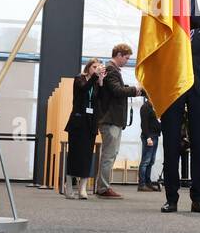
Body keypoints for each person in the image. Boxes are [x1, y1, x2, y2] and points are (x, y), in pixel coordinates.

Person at [160, 13, 200, 214]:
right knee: (171, 143)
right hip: (172, 85)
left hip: (198, 85)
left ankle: (197, 199)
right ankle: (171, 198)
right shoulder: (167, 18)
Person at [95, 43, 142, 199]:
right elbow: (117, 91)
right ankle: (103, 188)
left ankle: (103, 186)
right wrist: (135, 89)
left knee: (110, 154)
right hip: (110, 119)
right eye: (126, 58)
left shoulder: (110, 70)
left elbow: (115, 90)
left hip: (111, 119)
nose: (127, 61)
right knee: (109, 155)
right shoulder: (111, 70)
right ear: (119, 55)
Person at [64, 59, 104, 199]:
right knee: (74, 154)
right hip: (78, 122)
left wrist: (101, 82)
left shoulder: (96, 82)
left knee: (87, 155)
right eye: (94, 67)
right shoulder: (79, 79)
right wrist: (94, 77)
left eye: (98, 67)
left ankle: (82, 188)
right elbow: (84, 89)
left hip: (91, 123)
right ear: (88, 68)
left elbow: (101, 99)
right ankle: (69, 186)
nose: (97, 69)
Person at [137, 98, 160, 192]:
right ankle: (142, 184)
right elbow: (144, 124)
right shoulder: (145, 107)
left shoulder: (154, 107)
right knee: (145, 161)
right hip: (149, 136)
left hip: (155, 135)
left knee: (151, 161)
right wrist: (148, 137)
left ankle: (148, 182)